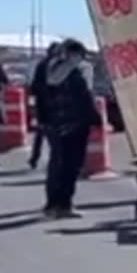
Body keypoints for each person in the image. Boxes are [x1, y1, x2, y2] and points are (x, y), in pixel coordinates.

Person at [41, 39, 99, 218]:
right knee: (66, 165)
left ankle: (58, 204)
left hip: (66, 123)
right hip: (68, 123)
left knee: (65, 165)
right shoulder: (69, 70)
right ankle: (60, 204)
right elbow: (83, 97)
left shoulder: (57, 69)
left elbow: (86, 95)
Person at [27, 42, 60, 169]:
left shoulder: (42, 65)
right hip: (54, 106)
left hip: (42, 104)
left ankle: (34, 158)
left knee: (41, 133)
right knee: (54, 136)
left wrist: (33, 103)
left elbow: (34, 87)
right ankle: (55, 161)